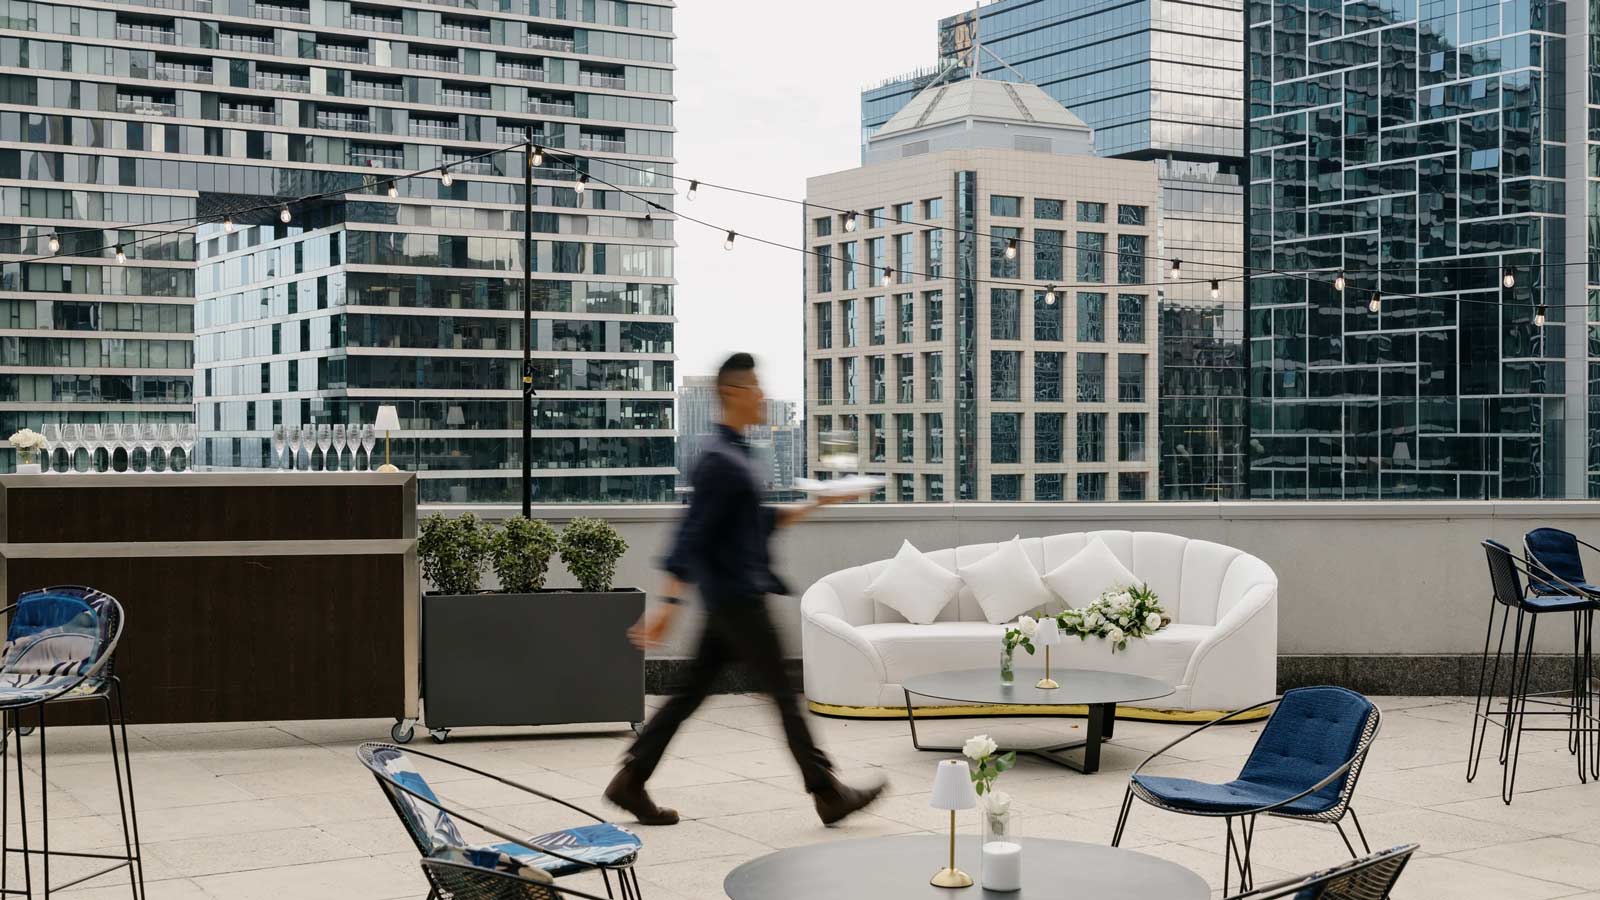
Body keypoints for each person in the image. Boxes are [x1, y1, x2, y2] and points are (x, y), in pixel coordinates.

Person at [605, 353, 885, 827]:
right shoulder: (719, 459)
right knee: (782, 695)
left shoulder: (734, 453)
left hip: (730, 600)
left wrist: (819, 502)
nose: (763, 396)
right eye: (755, 387)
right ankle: (826, 791)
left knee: (690, 695)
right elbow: (691, 534)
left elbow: (758, 522)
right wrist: (667, 606)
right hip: (737, 600)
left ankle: (631, 781)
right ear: (733, 393)